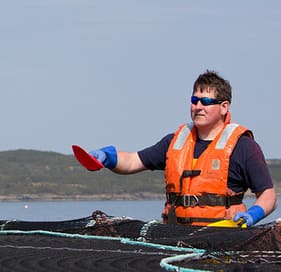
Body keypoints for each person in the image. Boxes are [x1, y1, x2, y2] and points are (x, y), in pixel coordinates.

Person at [87, 70, 277, 226]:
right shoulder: (174, 142)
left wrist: (254, 214)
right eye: (195, 101)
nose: (198, 106)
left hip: (224, 238)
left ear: (224, 107)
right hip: (175, 236)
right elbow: (132, 162)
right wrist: (107, 157)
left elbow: (268, 196)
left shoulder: (244, 147)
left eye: (207, 102)